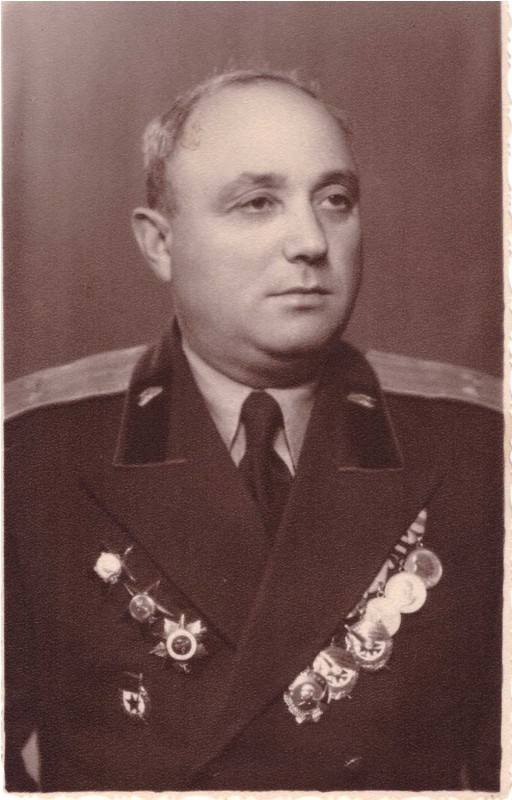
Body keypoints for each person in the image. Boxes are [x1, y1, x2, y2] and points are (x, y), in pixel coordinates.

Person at [5, 69, 503, 793]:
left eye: (335, 200)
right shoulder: (31, 454)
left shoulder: (480, 449)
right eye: (257, 202)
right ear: (160, 243)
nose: (311, 241)